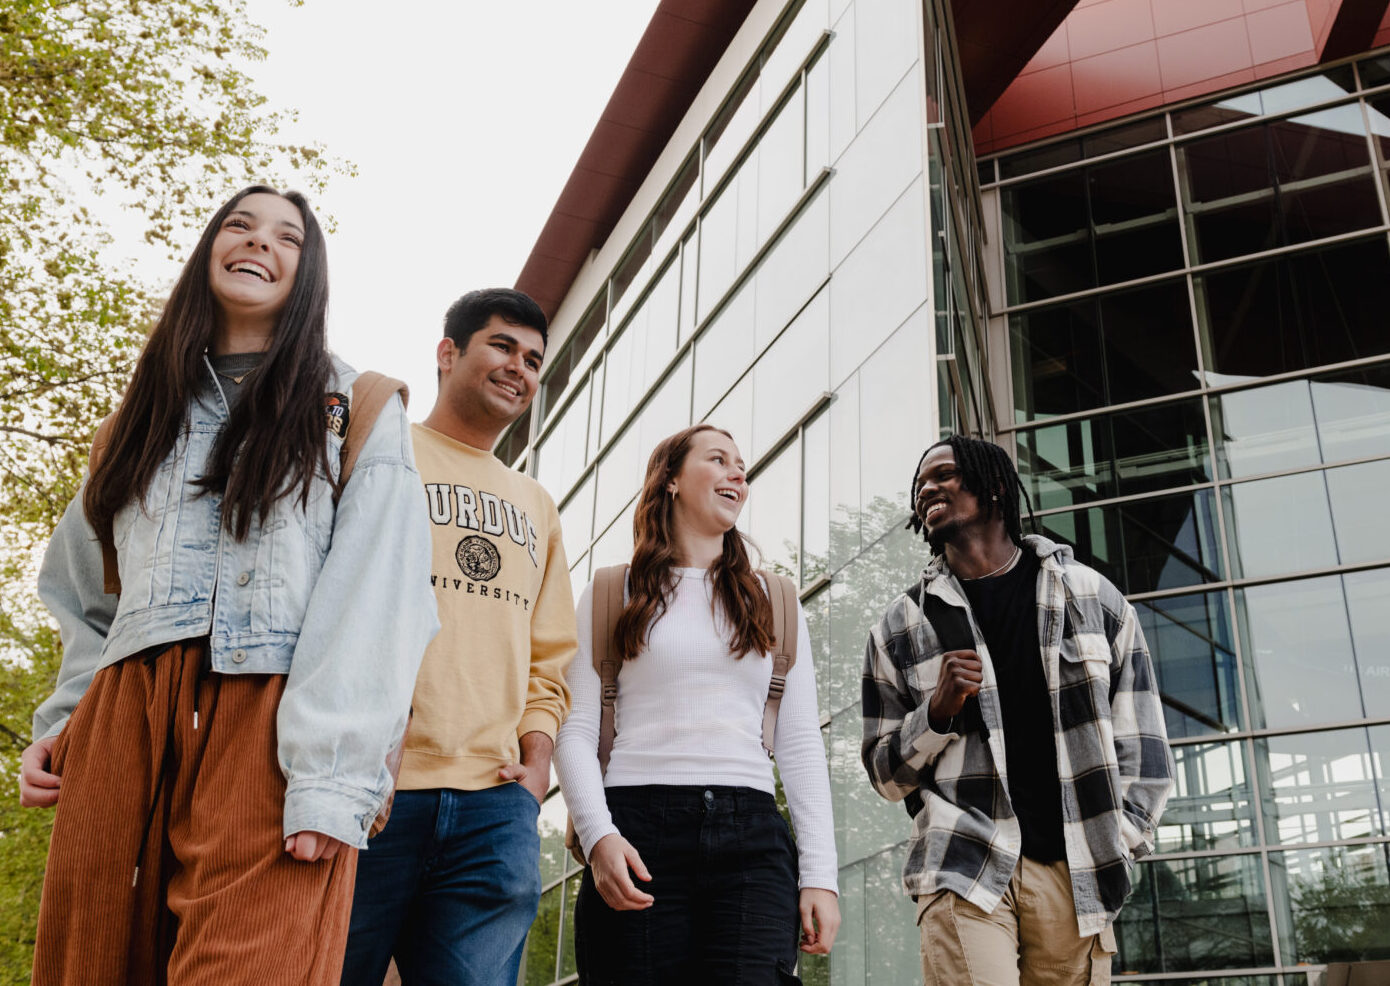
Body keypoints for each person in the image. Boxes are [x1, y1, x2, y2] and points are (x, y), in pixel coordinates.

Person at [18, 186, 438, 986]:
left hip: (276, 729)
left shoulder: (358, 407)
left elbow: (376, 598)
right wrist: (66, 721)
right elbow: (86, 595)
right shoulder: (134, 423)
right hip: (124, 727)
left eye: (286, 237)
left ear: (306, 272)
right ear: (209, 248)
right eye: (238, 225)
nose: (258, 243)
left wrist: (333, 779)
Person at [860, 434, 1174, 986]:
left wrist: (1120, 838)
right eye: (920, 484)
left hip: (1077, 872)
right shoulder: (902, 624)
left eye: (945, 475)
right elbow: (884, 775)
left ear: (996, 486)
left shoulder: (1091, 598)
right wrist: (935, 714)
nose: (928, 487)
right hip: (964, 860)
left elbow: (1144, 749)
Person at [341, 288, 578, 986]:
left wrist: (535, 769)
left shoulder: (537, 503)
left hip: (492, 804)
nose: (520, 369)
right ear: (448, 354)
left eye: (534, 360)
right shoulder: (380, 452)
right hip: (369, 788)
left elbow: (550, 657)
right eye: (502, 346)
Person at [554, 423, 841, 985]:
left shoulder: (774, 600)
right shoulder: (613, 593)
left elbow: (801, 743)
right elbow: (575, 729)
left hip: (752, 841)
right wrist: (599, 836)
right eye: (719, 459)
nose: (739, 472)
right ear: (671, 481)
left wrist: (820, 876)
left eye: (741, 464)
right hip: (636, 831)